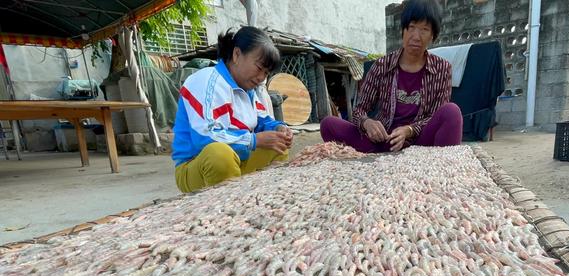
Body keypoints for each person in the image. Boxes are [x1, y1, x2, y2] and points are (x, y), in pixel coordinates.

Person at [320, 0, 463, 153]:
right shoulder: (382, 65)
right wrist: (367, 122)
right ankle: (383, 155)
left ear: (433, 36)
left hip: (420, 144)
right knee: (328, 124)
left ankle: (440, 167)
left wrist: (409, 130)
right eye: (411, 27)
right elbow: (359, 110)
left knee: (451, 111)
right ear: (403, 30)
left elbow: (435, 115)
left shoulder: (442, 68)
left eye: (424, 29)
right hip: (383, 141)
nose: (416, 36)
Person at [172, 26, 294, 192]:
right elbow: (206, 136)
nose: (261, 78)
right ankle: (229, 205)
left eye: (266, 73)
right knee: (219, 155)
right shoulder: (206, 81)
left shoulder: (249, 89)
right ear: (237, 55)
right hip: (195, 166)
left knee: (278, 147)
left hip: (239, 160)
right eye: (259, 68)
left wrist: (279, 128)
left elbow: (263, 120)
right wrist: (254, 140)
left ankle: (262, 198)